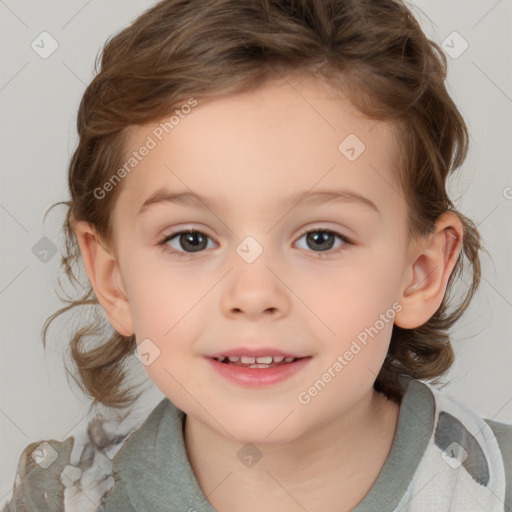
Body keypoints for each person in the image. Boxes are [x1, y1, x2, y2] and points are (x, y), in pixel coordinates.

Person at [3, 0, 511, 511]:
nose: (253, 295)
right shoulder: (62, 497)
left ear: (419, 274)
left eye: (321, 239)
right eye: (191, 240)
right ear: (113, 281)